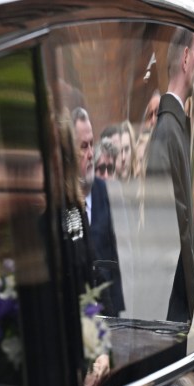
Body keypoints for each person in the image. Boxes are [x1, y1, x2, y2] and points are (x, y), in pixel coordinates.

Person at [145, 27, 194, 321]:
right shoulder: (167, 129)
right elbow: (163, 223)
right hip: (171, 295)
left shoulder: (176, 125)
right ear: (187, 57)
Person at [71, 107, 125, 317]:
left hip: (108, 309)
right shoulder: (65, 205)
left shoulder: (103, 191)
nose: (91, 154)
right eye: (83, 147)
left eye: (92, 144)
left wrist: (117, 311)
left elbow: (113, 253)